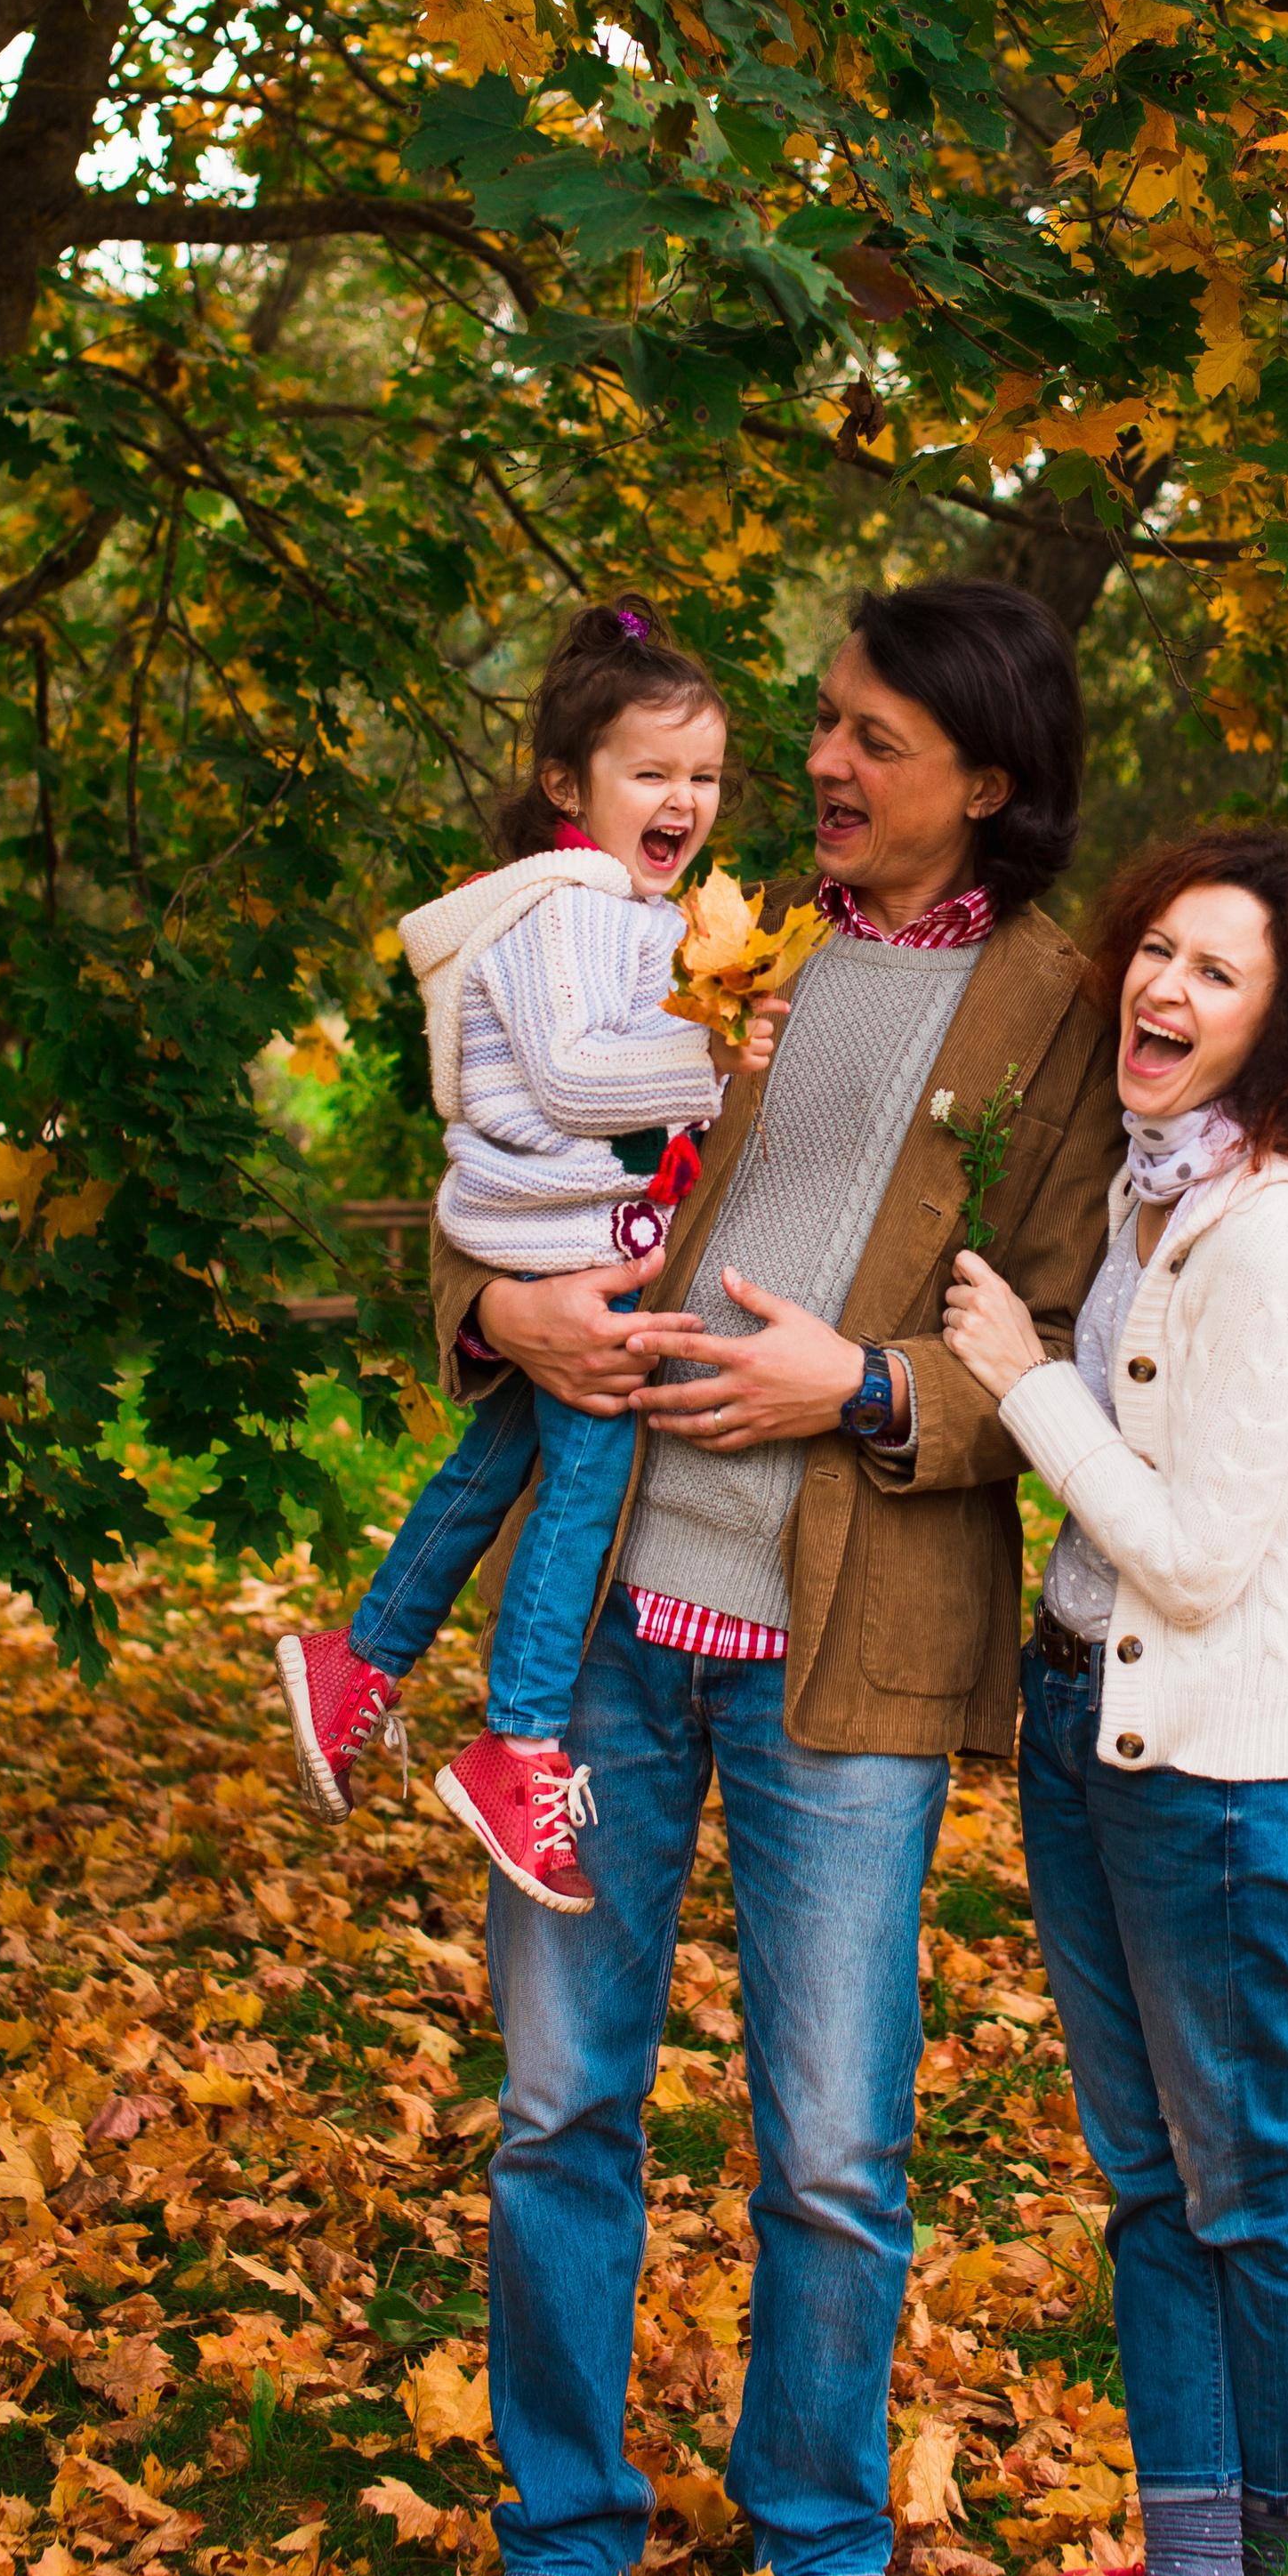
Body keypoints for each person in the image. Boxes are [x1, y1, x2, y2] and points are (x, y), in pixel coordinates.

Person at [427, 577, 1125, 2576]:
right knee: (558, 2105)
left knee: (830, 2144)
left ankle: (819, 2539)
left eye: (868, 738)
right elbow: (500, 1167)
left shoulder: (1057, 1008)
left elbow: (1069, 1343)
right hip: (602, 1626)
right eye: (818, 721)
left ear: (981, 782)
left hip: (848, 1647)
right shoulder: (694, 936)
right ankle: (561, 2533)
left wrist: (868, 1389)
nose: (817, 762)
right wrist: (500, 1310)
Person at [940, 828, 1288, 2576]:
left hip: (1218, 1778)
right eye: (1156, 951)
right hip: (1085, 1726)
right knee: (1147, 2180)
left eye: (1216, 971)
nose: (1163, 990)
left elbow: (1188, 1558)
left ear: (1286, 1023)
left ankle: (1286, 2560)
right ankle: (1188, 2569)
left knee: (1246, 2177)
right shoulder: (1160, 1184)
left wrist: (1021, 1380)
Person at [273, 598, 783, 1911]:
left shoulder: (626, 906)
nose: (685, 802)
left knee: (495, 1459)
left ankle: (359, 1661)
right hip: (553, 1237)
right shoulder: (569, 905)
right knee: (587, 1477)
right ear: (568, 785)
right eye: (652, 774)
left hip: (559, 1233)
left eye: (705, 776)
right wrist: (713, 1054)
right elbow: (570, 1076)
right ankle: (520, 1740)